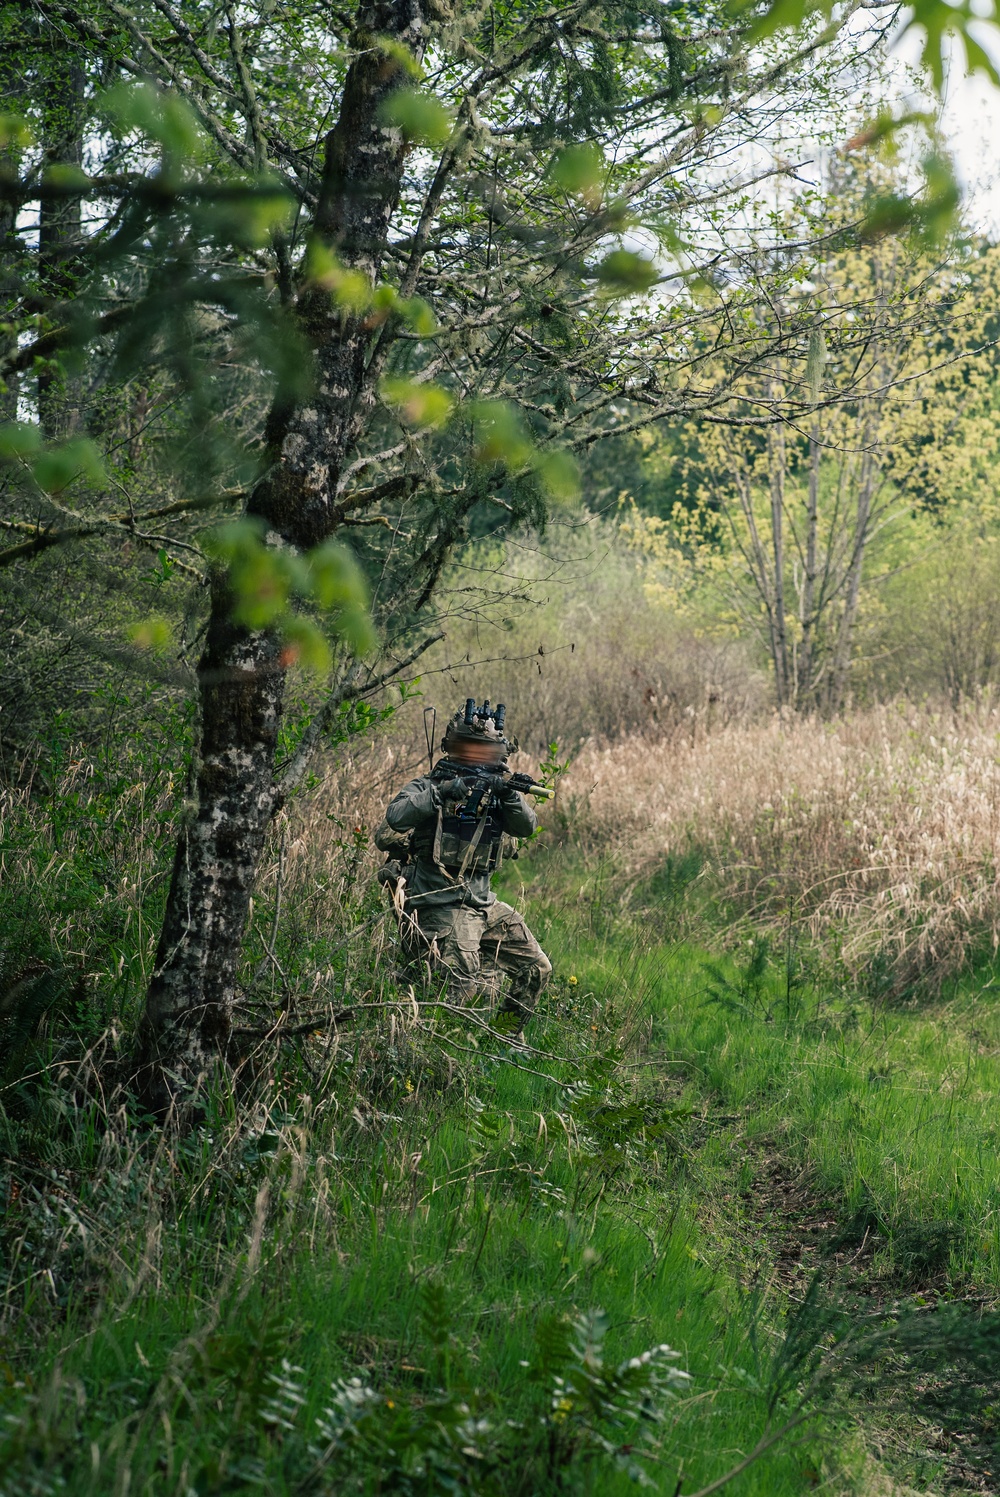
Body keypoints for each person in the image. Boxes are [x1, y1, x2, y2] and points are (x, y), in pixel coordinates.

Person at [375, 699, 552, 1036]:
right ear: (452, 748)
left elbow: (527, 827)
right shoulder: (429, 785)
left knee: (536, 967)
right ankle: (445, 1053)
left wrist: (510, 794)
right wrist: (442, 792)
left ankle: (503, 1038)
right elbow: (396, 817)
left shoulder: (498, 791)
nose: (477, 757)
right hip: (437, 902)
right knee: (462, 987)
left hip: (483, 903)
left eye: (485, 750)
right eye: (469, 749)